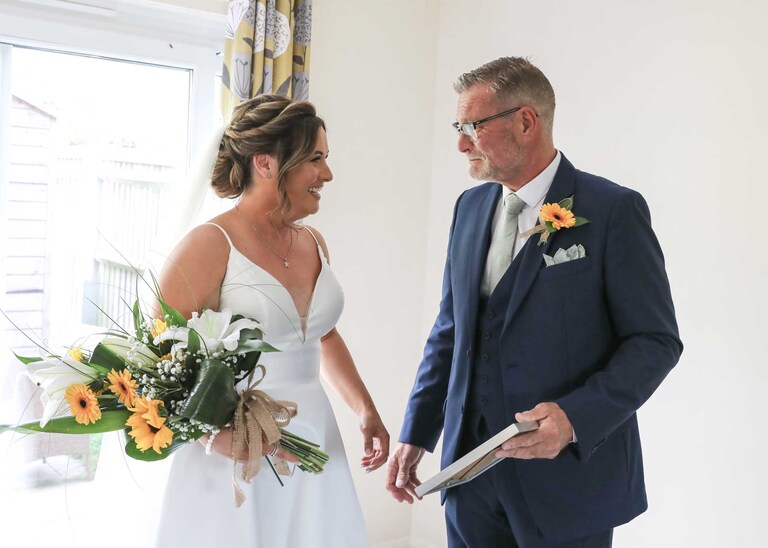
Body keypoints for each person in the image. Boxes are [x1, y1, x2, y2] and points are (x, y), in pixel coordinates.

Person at [386, 57, 683, 547]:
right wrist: (416, 432)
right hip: (469, 476)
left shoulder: (611, 211)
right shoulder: (470, 207)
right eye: (458, 127)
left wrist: (574, 419)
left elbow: (655, 341)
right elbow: (451, 329)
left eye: (472, 126)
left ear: (525, 121)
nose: (461, 142)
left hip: (567, 481)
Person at [154, 94, 389, 547]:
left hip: (313, 434)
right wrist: (211, 438)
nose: (327, 174)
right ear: (266, 163)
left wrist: (364, 409)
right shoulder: (209, 244)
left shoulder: (314, 241)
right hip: (234, 448)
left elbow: (323, 336)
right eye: (315, 159)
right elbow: (157, 363)